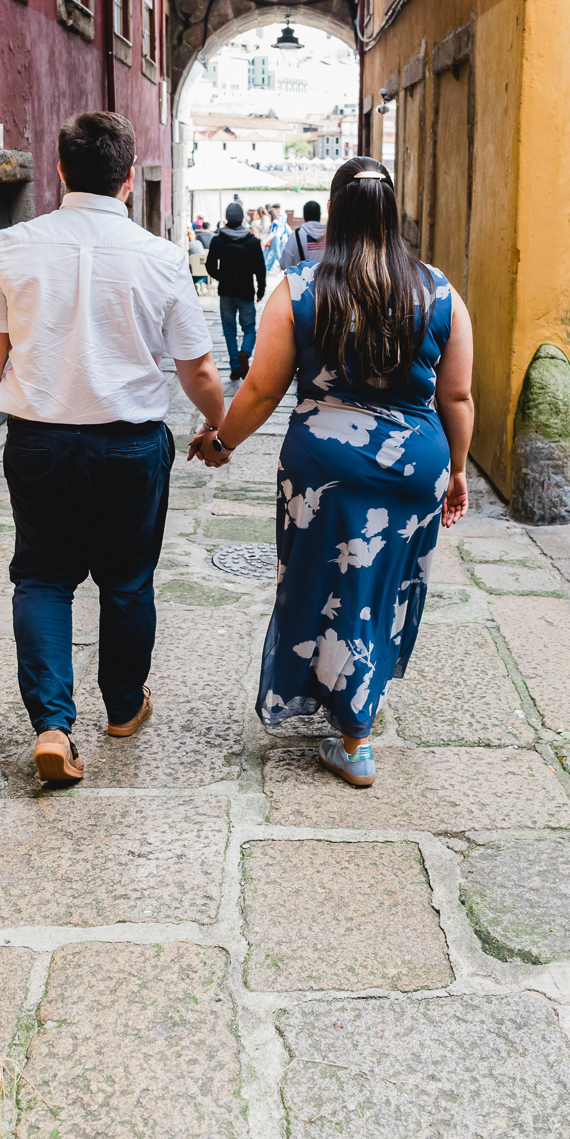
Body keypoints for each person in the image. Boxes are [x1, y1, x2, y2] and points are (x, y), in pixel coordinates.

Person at [0, 111, 225, 784]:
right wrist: (219, 427)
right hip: (130, 446)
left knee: (43, 579)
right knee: (127, 583)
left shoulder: (13, 247)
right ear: (129, 179)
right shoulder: (161, 258)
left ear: (58, 170)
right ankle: (125, 708)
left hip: (39, 442)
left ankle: (53, 725)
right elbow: (197, 370)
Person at [190, 156, 472, 789]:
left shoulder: (300, 287)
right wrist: (457, 470)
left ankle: (345, 725)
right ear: (392, 211)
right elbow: (455, 398)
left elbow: (262, 389)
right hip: (414, 463)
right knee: (382, 586)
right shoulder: (439, 290)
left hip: (323, 464)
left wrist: (221, 442)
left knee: (322, 579)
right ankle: (357, 719)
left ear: (335, 213)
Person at [206, 201, 267, 380]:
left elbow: (210, 266)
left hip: (226, 291)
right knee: (249, 328)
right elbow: (260, 269)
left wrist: (221, 277)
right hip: (246, 291)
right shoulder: (252, 241)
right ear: (242, 218)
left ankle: (235, 366)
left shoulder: (218, 240)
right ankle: (245, 352)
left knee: (229, 329)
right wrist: (261, 290)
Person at [279, 199, 327, 269]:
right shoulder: (330, 234)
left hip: (301, 278)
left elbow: (285, 264)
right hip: (326, 279)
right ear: (320, 215)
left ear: (304, 215)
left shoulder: (296, 235)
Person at [262, 203, 288, 270]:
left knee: (277, 255)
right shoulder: (274, 221)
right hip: (274, 239)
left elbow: (273, 233)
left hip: (275, 239)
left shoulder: (275, 222)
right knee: (270, 253)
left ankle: (283, 268)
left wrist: (265, 241)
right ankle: (267, 267)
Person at [187, 225, 209, 294]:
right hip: (203, 268)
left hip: (194, 269)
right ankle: (202, 283)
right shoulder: (198, 243)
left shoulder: (188, 244)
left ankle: (197, 283)